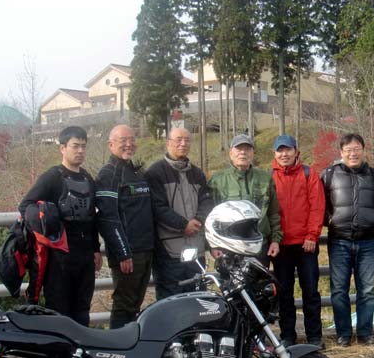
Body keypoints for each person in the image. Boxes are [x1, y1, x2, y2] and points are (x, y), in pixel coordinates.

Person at [18, 126, 102, 325]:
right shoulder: (52, 177)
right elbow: (26, 206)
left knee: (82, 310)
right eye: (75, 146)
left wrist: (96, 249)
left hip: (85, 255)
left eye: (83, 146)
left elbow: (91, 216)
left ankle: (81, 345)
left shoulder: (87, 178)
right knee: (59, 311)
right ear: (63, 148)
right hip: (59, 256)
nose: (80, 151)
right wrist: (48, 224)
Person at [321, 133, 374, 347]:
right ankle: (343, 334)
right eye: (348, 149)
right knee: (339, 290)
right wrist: (329, 220)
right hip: (338, 240)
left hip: (367, 241)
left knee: (367, 291)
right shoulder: (329, 174)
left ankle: (365, 333)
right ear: (341, 152)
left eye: (357, 148)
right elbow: (319, 203)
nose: (353, 153)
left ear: (363, 150)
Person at [95, 124, 154, 328]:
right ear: (110, 144)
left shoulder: (137, 172)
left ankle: (131, 345)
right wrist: (123, 253)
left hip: (146, 249)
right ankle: (117, 346)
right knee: (124, 306)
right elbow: (107, 217)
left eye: (132, 139)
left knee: (135, 305)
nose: (129, 144)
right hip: (127, 254)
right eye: (123, 141)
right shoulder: (108, 174)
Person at [145, 127, 213, 299]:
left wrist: (197, 221)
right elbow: (157, 207)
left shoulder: (197, 173)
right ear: (168, 143)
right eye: (178, 140)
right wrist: (183, 225)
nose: (183, 143)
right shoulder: (155, 173)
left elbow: (206, 202)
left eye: (187, 140)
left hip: (196, 250)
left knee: (198, 300)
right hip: (168, 253)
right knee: (171, 301)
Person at [270, 134, 325, 347]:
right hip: (281, 245)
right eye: (280, 150)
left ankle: (314, 337)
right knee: (284, 293)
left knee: (310, 291)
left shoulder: (308, 173)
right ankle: (288, 336)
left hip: (305, 244)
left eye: (288, 150)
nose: (284, 154)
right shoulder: (270, 176)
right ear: (275, 154)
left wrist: (312, 235)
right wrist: (273, 238)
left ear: (296, 152)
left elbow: (317, 206)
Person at [208, 134, 282, 260]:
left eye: (247, 149)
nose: (243, 152)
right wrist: (213, 245)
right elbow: (210, 217)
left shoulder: (265, 179)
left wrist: (275, 240)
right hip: (228, 247)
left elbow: (273, 213)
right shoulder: (217, 180)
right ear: (231, 153)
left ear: (253, 153)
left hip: (259, 246)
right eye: (238, 149)